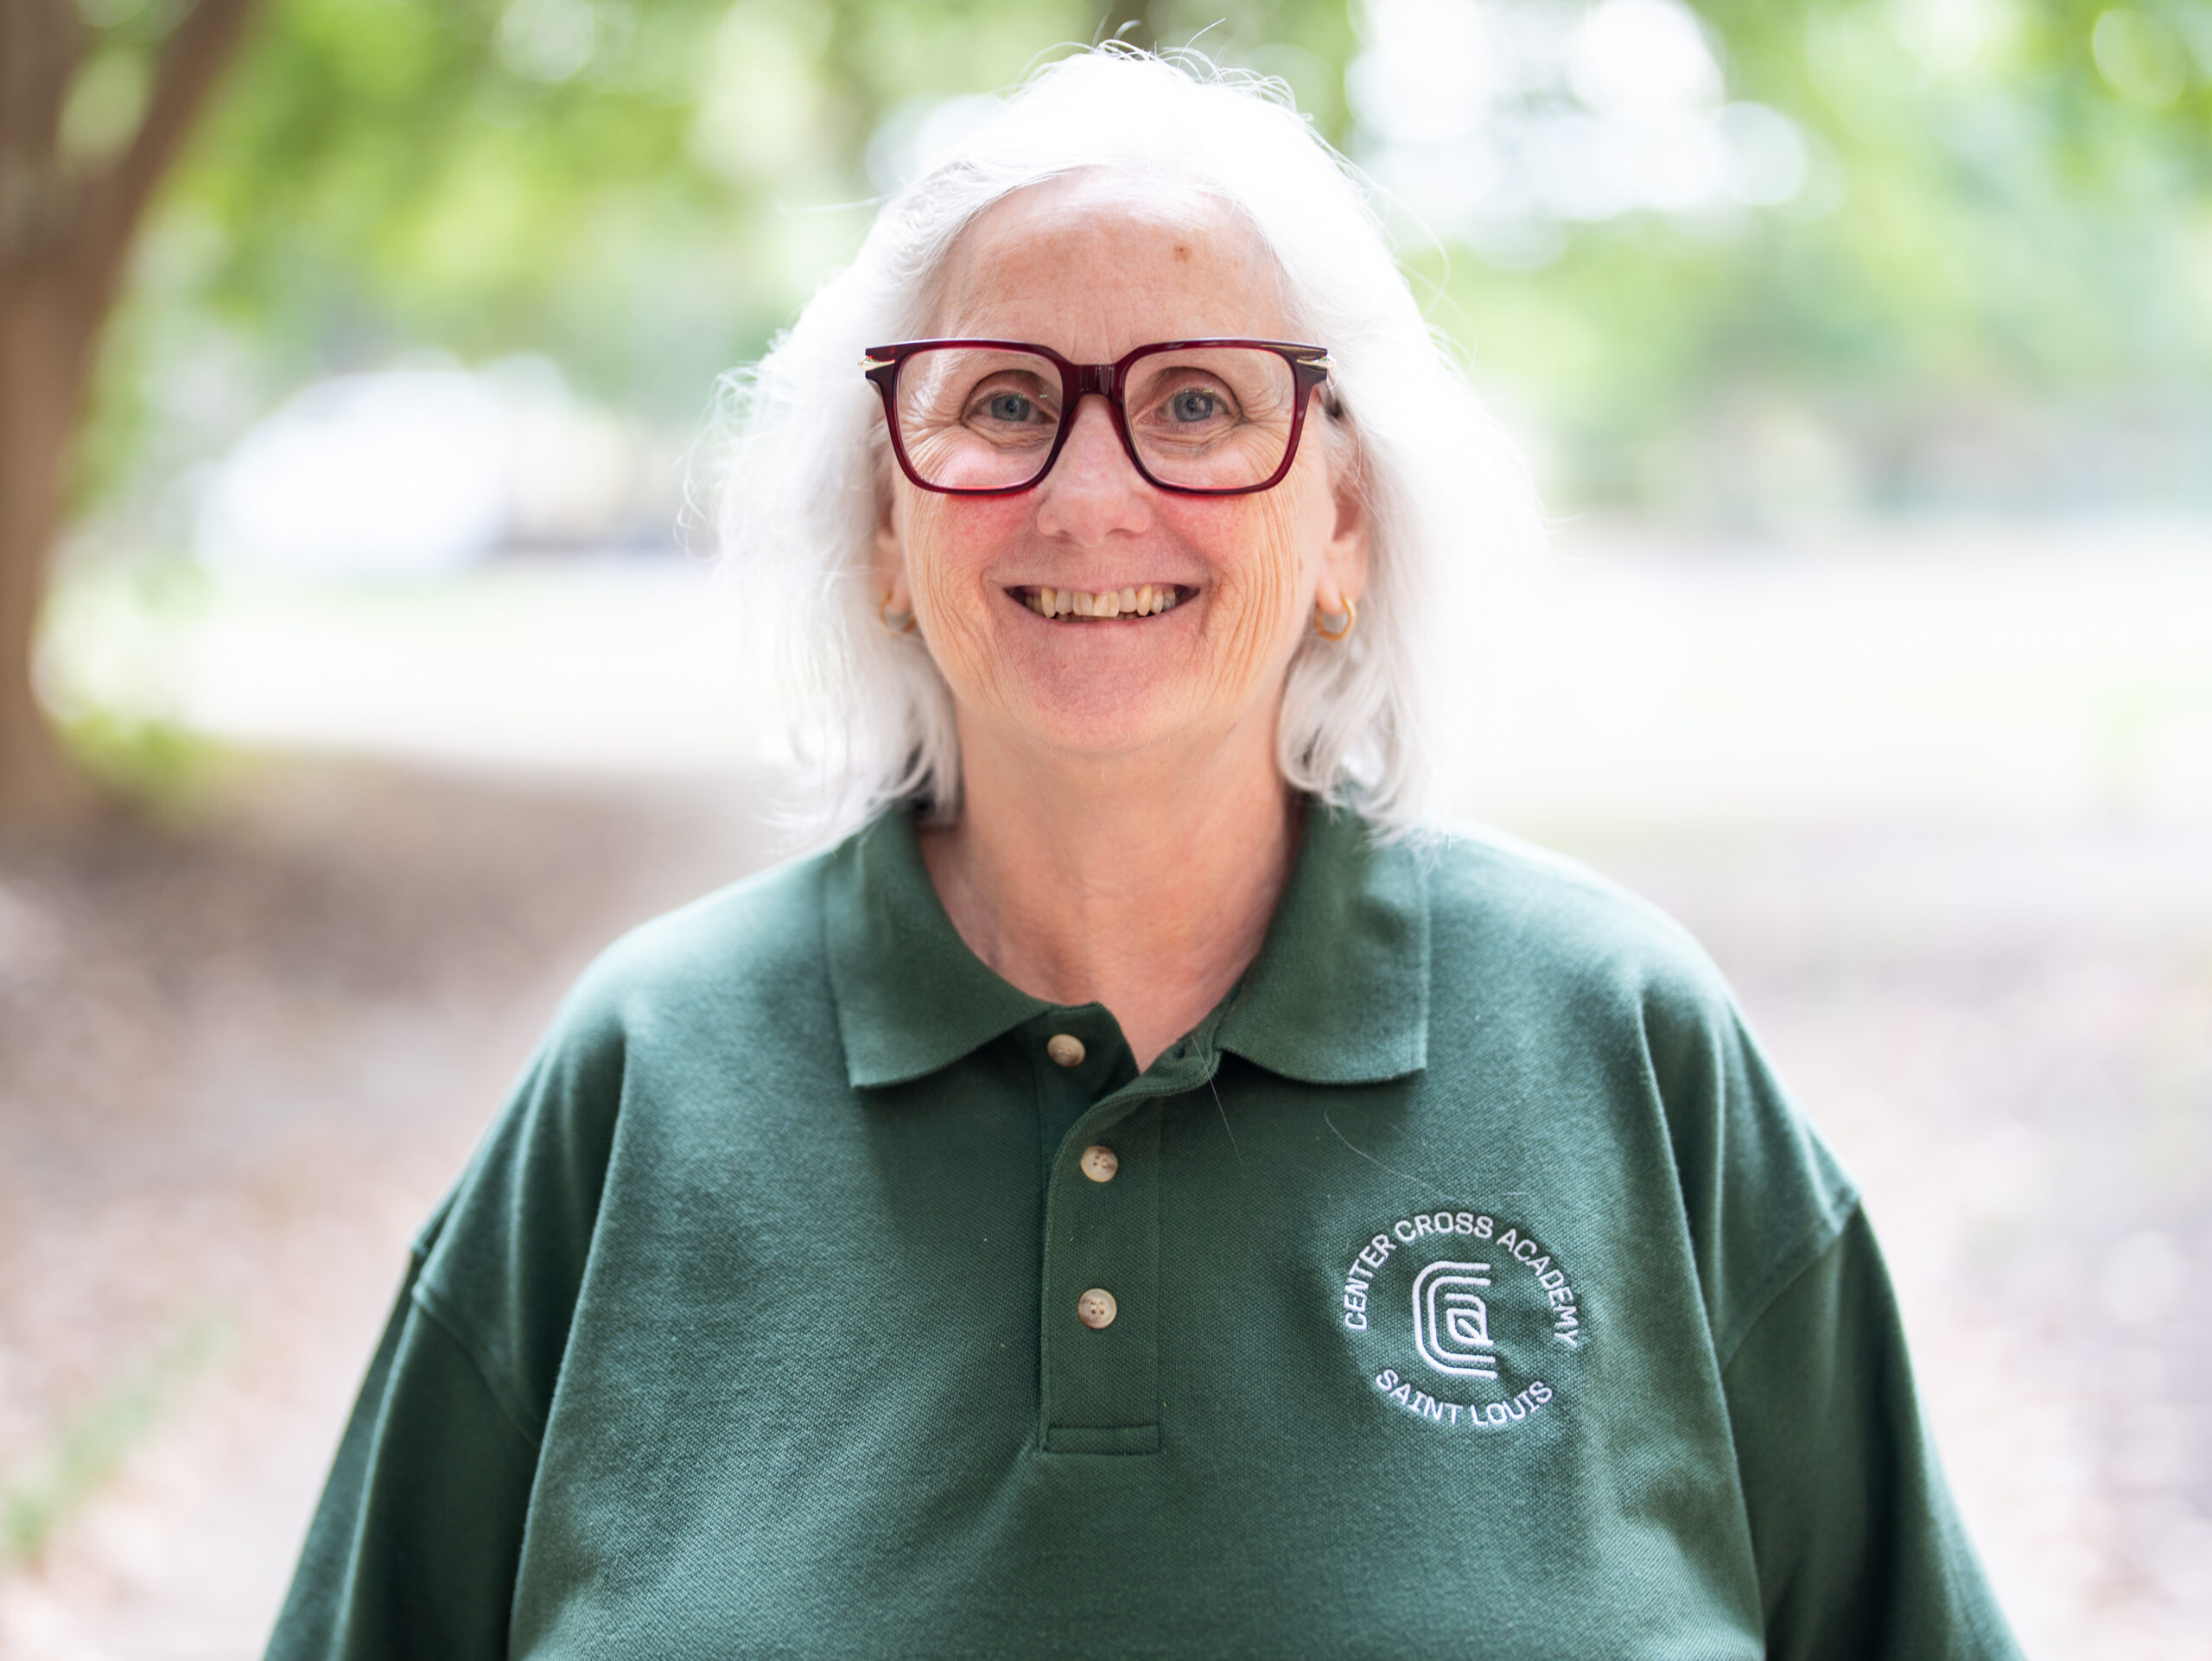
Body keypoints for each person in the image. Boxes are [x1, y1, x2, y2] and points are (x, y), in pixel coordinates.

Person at [268, 48, 2021, 1661]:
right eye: (1002, 403)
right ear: (883, 523)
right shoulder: (644, 1072)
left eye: (1193, 402)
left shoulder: (1624, 1043)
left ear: (1340, 519)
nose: (1088, 494)